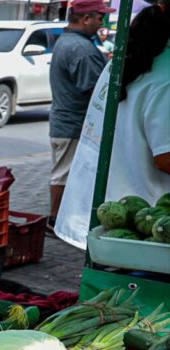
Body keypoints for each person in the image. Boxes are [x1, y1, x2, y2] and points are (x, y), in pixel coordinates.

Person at [56, 2, 170, 248]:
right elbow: (165, 157)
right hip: (134, 217)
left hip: (105, 207)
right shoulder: (165, 75)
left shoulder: (125, 58)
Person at [48, 0, 112, 228]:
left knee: (65, 173)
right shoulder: (81, 49)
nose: (101, 22)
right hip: (73, 124)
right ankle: (55, 219)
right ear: (86, 19)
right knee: (64, 174)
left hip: (67, 121)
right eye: (99, 18)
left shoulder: (70, 42)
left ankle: (59, 218)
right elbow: (97, 91)